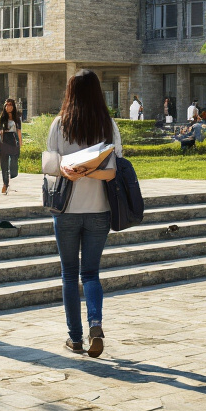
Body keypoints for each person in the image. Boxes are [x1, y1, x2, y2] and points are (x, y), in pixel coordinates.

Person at [42, 70, 122, 358]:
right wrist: (91, 171)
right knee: (90, 273)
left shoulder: (60, 123)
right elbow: (114, 170)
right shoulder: (108, 125)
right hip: (99, 210)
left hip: (66, 209)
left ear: (71, 92)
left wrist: (69, 170)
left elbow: (50, 164)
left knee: (69, 274)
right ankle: (95, 325)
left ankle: (75, 338)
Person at [0, 98, 23, 195]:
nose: (8, 107)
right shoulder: (2, 118)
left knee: (13, 165)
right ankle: (5, 184)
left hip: (13, 142)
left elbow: (19, 131)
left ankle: (11, 175)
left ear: (13, 107)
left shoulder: (17, 118)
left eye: (10, 105)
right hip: (3, 142)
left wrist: (20, 143)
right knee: (4, 165)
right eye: (6, 105)